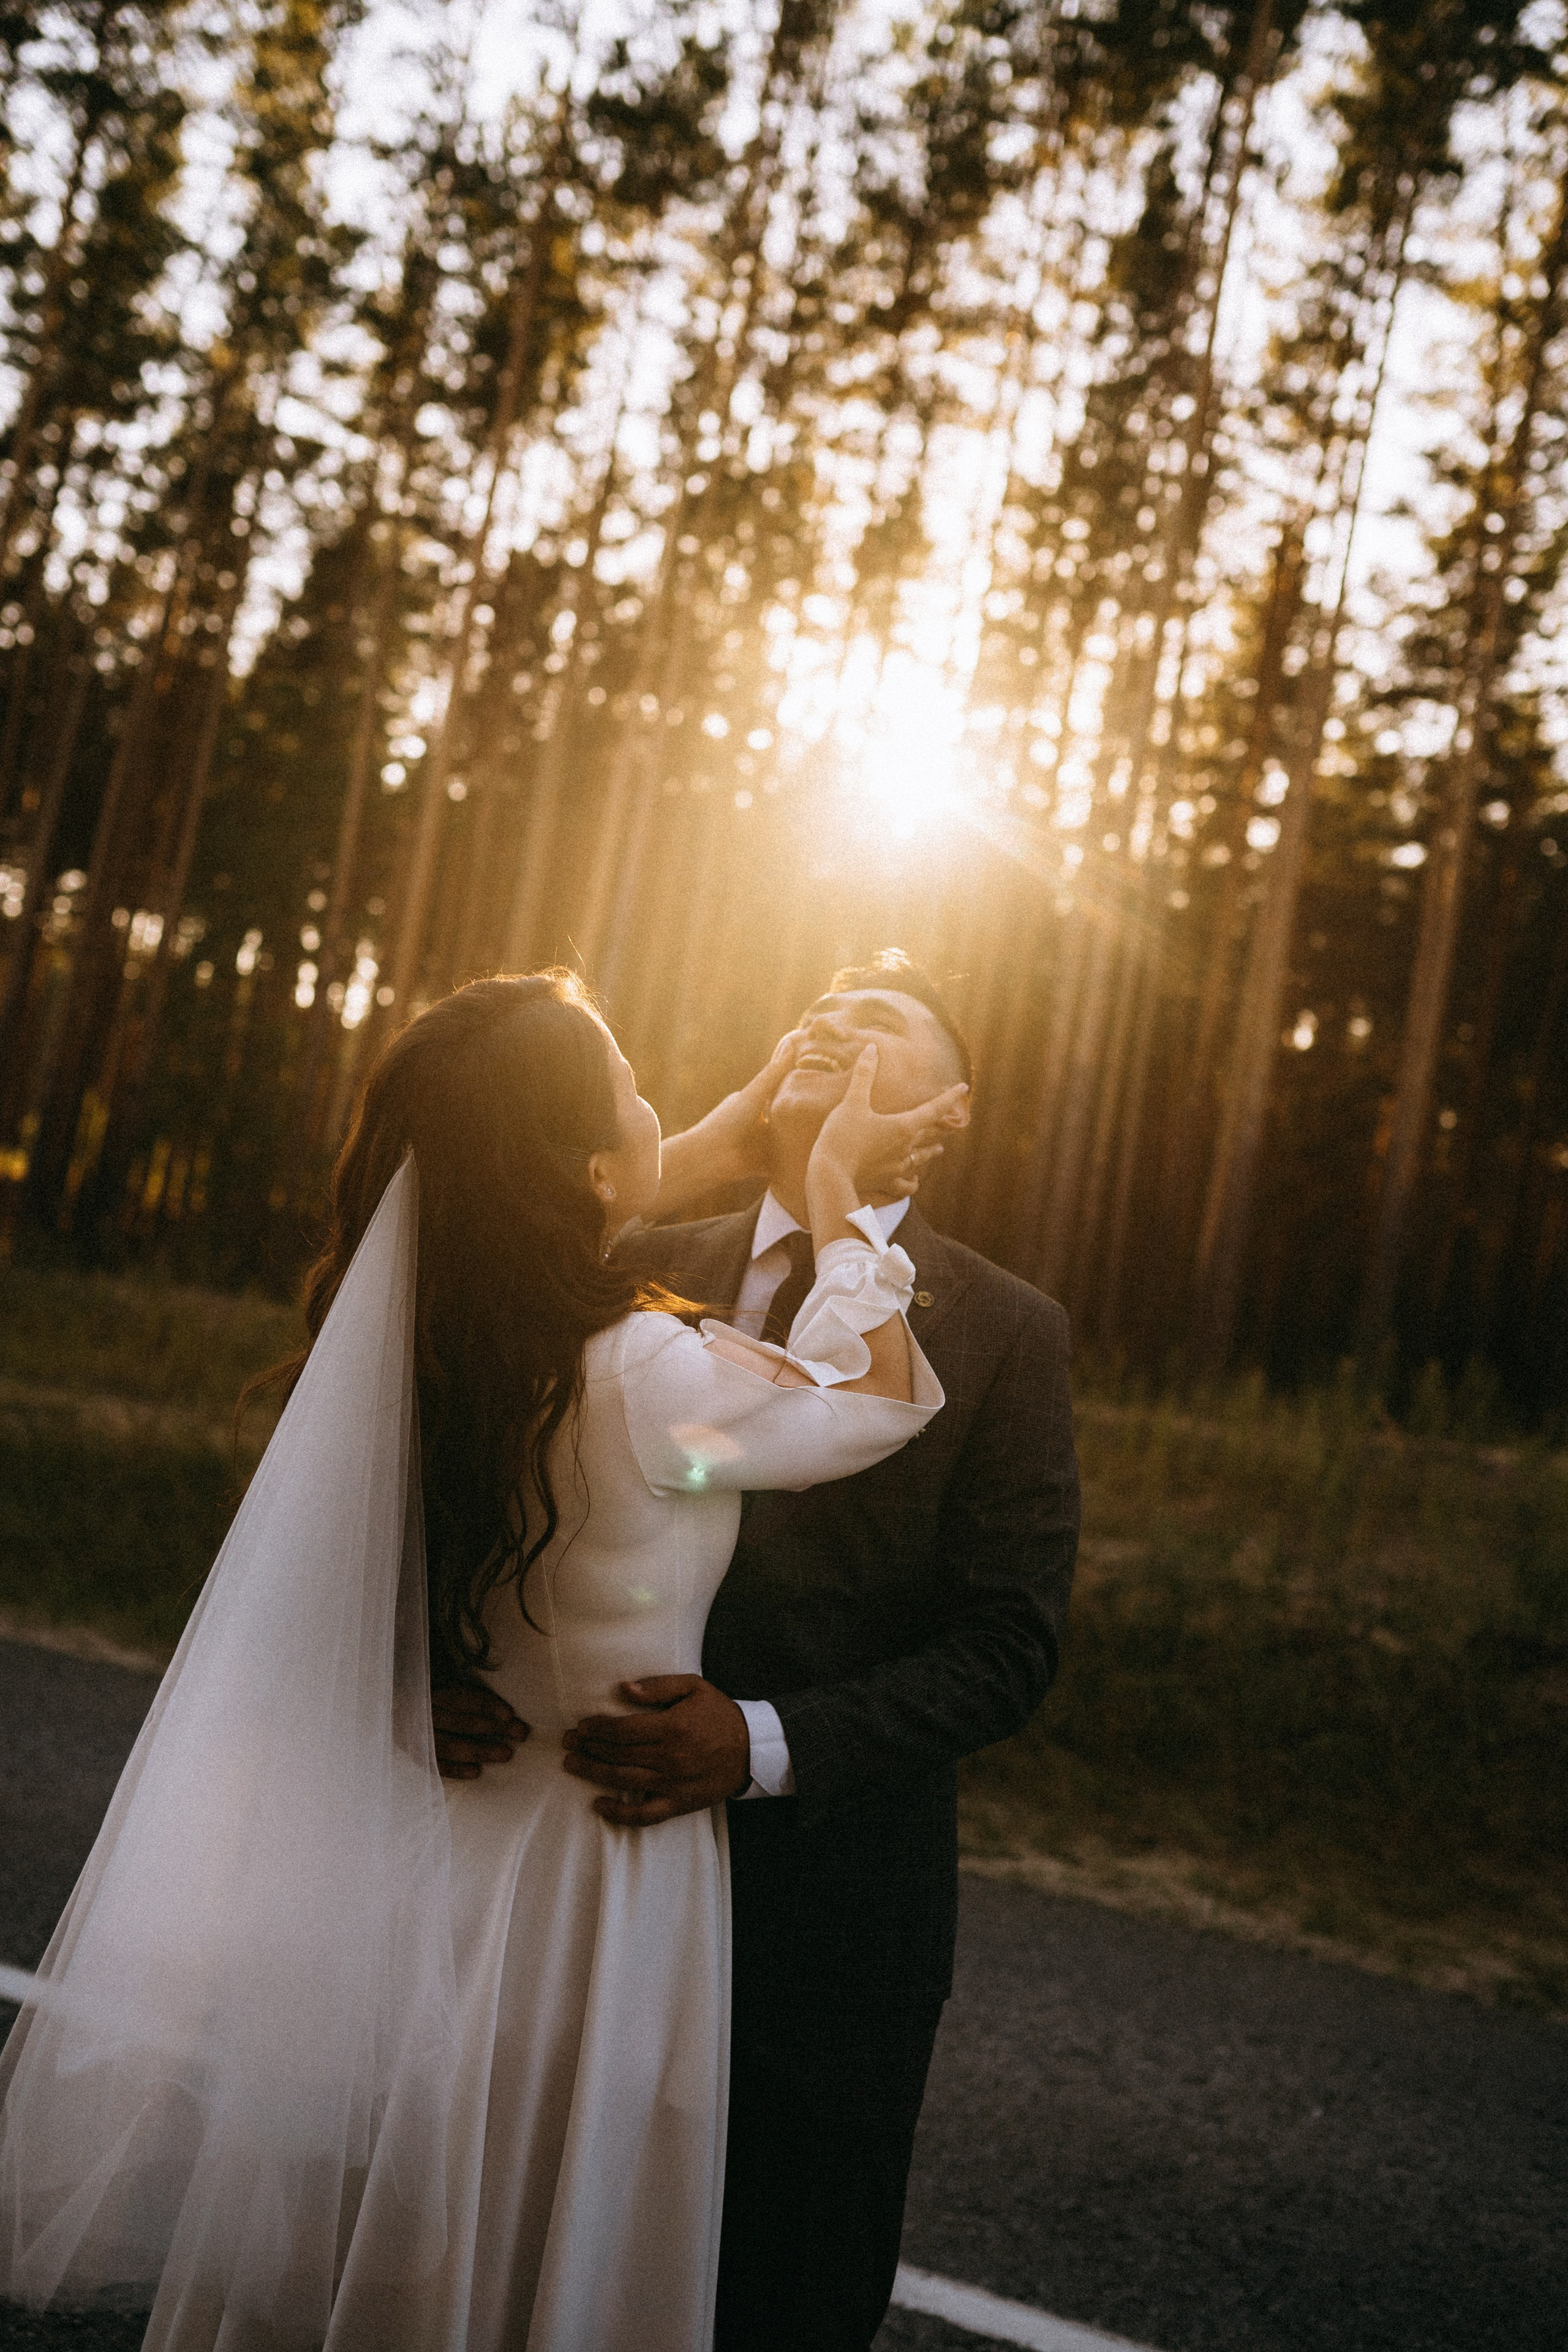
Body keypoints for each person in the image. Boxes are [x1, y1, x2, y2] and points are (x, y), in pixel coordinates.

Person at [0, 969, 956, 2352]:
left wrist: (710, 1136)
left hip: (445, 1853)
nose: (658, 1107)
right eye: (633, 1089)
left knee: (405, 2229)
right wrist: (842, 1192)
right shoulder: (645, 1374)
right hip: (591, 1875)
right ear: (577, 1161)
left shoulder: (434, 1331)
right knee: (533, 2238)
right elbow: (856, 1403)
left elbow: (549, 1200)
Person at [437, 949, 1081, 2352]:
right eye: (820, 1007)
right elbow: (443, 1460)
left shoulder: (1007, 1331)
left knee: (783, 2296)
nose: (833, 1024)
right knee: (525, 2266)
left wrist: (759, 1739)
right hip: (572, 1863)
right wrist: (430, 1657)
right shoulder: (625, 1260)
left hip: (832, 1918)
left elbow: (1006, 1646)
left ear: (949, 1111)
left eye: (881, 1023)